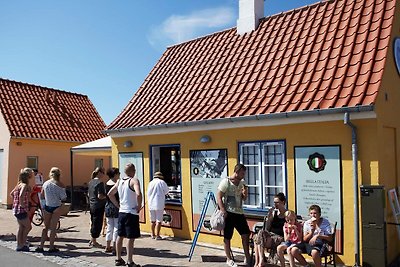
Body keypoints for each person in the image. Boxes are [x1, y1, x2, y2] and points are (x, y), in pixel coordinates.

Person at [108, 163, 142, 267]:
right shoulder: (134, 180)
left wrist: (118, 205)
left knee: (120, 236)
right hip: (131, 213)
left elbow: (110, 194)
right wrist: (139, 206)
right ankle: (130, 261)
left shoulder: (119, 181)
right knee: (130, 238)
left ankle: (118, 259)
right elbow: (138, 193)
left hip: (122, 212)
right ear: (133, 171)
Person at [216, 163, 250, 267]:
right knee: (227, 237)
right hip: (229, 213)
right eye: (242, 173)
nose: (244, 175)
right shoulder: (226, 182)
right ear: (237, 172)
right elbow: (218, 196)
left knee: (245, 234)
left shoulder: (242, 182)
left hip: (239, 213)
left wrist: (245, 194)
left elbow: (243, 198)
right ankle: (229, 259)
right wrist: (223, 211)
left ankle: (247, 257)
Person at [35, 167, 67, 253]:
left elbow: (42, 196)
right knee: (53, 228)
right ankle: (51, 247)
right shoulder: (60, 185)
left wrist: (43, 205)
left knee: (45, 227)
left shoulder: (46, 183)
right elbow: (63, 198)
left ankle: (41, 246)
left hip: (47, 206)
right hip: (57, 206)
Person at [253, 192, 287, 267]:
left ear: (283, 202)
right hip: (270, 236)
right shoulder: (274, 213)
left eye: (277, 202)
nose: (275, 204)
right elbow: (267, 229)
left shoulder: (287, 214)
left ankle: (259, 262)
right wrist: (270, 218)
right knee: (259, 236)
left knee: (257, 240)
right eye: (274, 202)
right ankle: (260, 261)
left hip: (280, 238)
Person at [10, 168, 34, 251]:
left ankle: (19, 244)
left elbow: (12, 194)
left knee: (21, 227)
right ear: (27, 177)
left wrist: (15, 203)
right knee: (28, 227)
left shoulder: (18, 185)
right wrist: (23, 205)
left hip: (16, 209)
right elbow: (21, 195)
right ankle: (22, 243)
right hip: (21, 210)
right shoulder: (24, 185)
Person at [88, 166, 107, 248]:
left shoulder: (91, 182)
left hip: (92, 205)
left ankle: (92, 239)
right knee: (97, 223)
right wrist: (107, 196)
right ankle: (94, 240)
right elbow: (100, 196)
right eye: (103, 173)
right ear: (99, 173)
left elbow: (89, 194)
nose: (104, 175)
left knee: (93, 222)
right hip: (99, 205)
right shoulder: (100, 183)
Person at [147, 171, 169, 240]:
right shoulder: (162, 182)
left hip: (151, 204)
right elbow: (166, 191)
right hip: (159, 203)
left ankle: (153, 234)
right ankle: (158, 235)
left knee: (152, 220)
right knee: (159, 220)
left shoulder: (150, 183)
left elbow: (148, 193)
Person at [104, 167, 120, 254]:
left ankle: (107, 246)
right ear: (115, 174)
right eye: (118, 173)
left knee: (109, 227)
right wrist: (118, 205)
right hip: (116, 207)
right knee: (116, 228)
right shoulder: (116, 184)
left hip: (108, 207)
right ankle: (114, 247)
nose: (119, 175)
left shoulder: (106, 184)